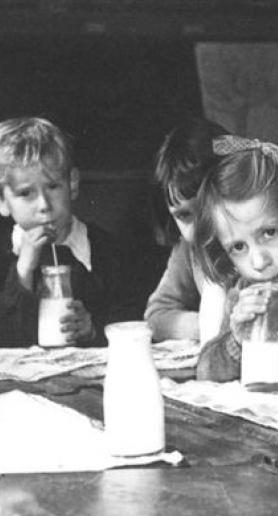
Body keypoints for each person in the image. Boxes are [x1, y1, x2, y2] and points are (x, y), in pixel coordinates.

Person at [193, 135, 278, 384]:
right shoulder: (243, 294)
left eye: (269, 233)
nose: (258, 262)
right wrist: (235, 341)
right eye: (238, 247)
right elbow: (206, 372)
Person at [0, 116, 140, 347]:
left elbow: (133, 318)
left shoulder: (108, 251)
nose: (44, 205)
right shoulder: (4, 259)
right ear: (3, 202)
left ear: (72, 183)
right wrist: (23, 271)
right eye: (26, 194)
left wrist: (94, 328)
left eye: (53, 186)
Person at [144, 118, 228, 344]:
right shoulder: (189, 249)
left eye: (206, 208)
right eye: (184, 215)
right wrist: (210, 325)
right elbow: (156, 315)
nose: (199, 228)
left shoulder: (258, 247)